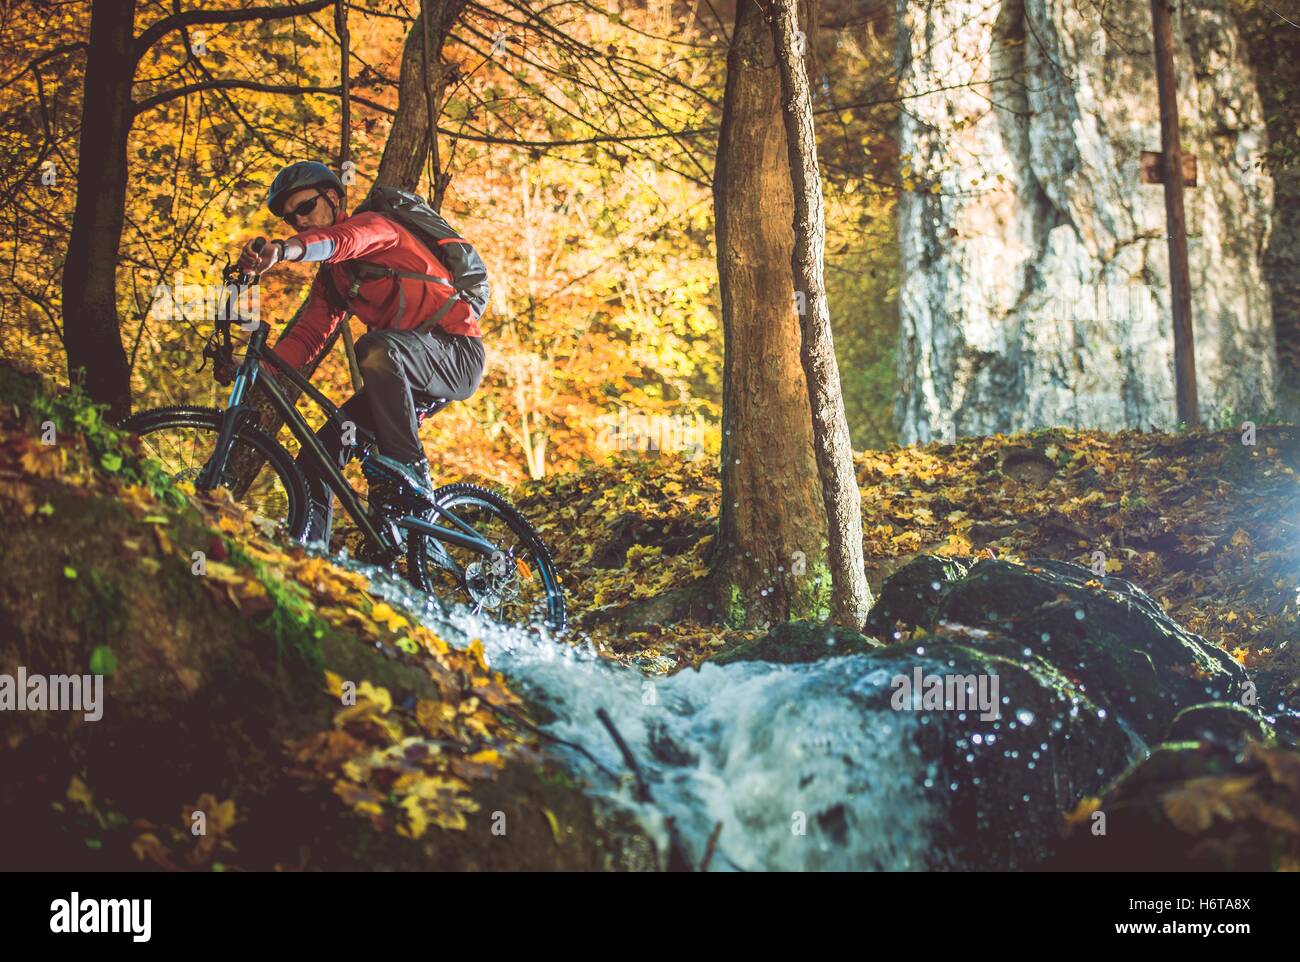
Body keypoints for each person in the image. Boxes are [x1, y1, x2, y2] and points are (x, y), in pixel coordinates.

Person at [235, 161, 486, 543]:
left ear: (333, 198)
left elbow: (341, 242)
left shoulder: (376, 227)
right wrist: (255, 369)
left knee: (375, 348)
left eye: (305, 208)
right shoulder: (334, 280)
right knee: (316, 458)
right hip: (397, 378)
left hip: (455, 355)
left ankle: (411, 475)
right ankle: (312, 556)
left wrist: (284, 250)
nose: (299, 221)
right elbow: (306, 338)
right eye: (290, 219)